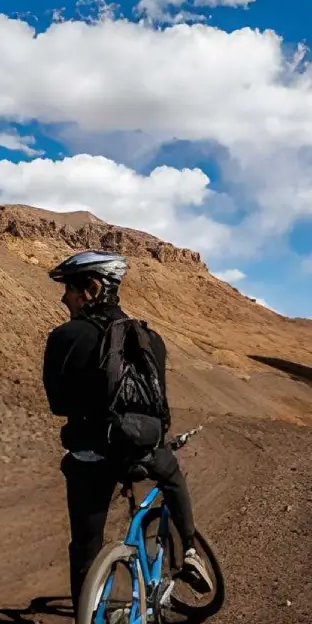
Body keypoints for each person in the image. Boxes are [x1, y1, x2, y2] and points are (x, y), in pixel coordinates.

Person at [42, 249, 214, 602]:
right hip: (143, 449)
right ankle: (189, 550)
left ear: (92, 288)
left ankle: (89, 621)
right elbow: (159, 404)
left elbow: (58, 405)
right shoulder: (152, 339)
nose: (64, 298)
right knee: (172, 477)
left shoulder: (64, 336)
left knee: (86, 544)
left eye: (69, 289)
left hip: (90, 455)